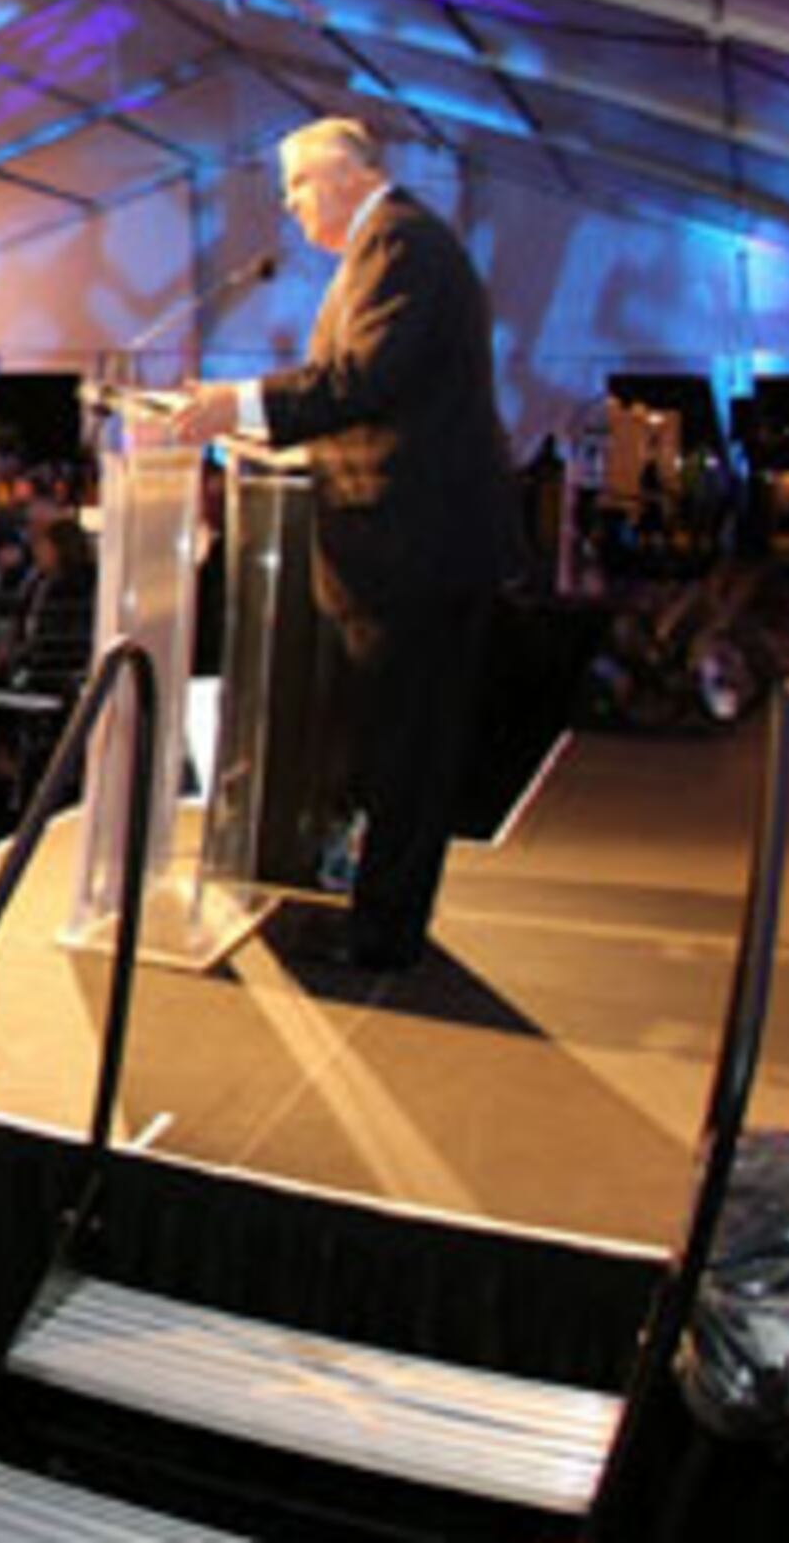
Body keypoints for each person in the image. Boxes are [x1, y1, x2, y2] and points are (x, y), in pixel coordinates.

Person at [165, 118, 515, 970]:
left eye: (295, 185)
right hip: (403, 547)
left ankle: (383, 931)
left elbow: (362, 380)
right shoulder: (390, 248)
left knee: (407, 749)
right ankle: (379, 916)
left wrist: (237, 405)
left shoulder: (401, 246)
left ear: (347, 175)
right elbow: (360, 395)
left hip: (415, 548)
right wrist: (254, 428)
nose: (288, 206)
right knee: (397, 745)